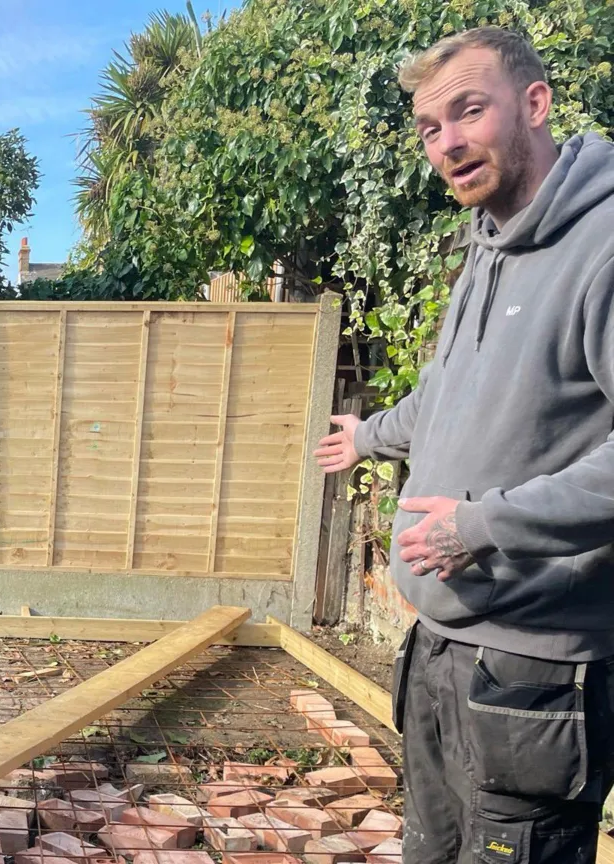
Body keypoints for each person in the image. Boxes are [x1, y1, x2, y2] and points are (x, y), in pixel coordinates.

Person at [312, 25, 614, 864]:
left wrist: (481, 526)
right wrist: (369, 435)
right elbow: (451, 394)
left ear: (535, 104)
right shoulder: (484, 248)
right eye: (429, 128)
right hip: (440, 650)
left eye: (468, 112)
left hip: (533, 670)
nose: (447, 142)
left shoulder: (603, 246)